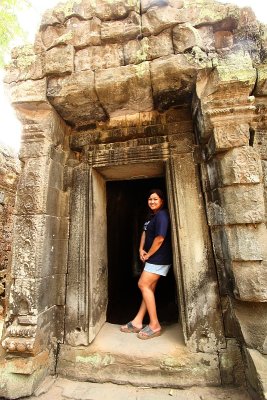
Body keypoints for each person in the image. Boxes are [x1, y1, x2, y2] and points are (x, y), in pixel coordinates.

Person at [120, 188, 172, 340]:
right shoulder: (151, 216)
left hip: (160, 257)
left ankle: (154, 325)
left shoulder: (162, 215)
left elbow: (160, 238)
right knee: (148, 288)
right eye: (150, 199)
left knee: (143, 284)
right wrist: (141, 249)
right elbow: (144, 232)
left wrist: (148, 254)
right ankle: (137, 322)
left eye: (155, 199)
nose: (152, 201)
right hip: (152, 258)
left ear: (161, 201)